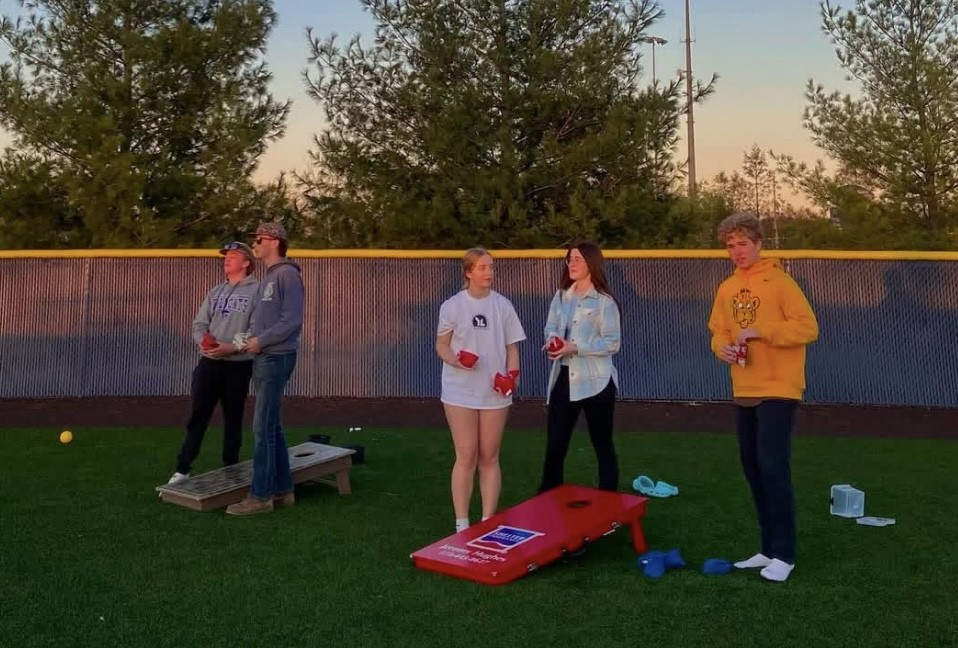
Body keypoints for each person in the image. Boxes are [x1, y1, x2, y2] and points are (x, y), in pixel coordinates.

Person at [707, 212, 819, 583]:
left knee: (774, 469)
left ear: (758, 244)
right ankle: (767, 548)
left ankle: (785, 555)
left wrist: (761, 330)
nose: (737, 251)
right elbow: (718, 331)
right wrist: (722, 348)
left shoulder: (781, 282)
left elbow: (808, 327)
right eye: (730, 245)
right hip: (744, 389)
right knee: (753, 469)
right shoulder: (726, 288)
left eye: (743, 243)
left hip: (779, 388)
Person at [435, 247, 526, 532]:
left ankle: (488, 520)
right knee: (467, 455)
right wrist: (457, 360)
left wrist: (512, 377)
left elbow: (512, 347)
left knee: (490, 456)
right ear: (469, 272)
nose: (489, 272)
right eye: (483, 267)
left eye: (491, 267)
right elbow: (441, 345)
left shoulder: (503, 306)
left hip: (495, 393)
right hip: (459, 391)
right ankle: (462, 522)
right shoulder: (452, 306)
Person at [226, 222, 305, 516]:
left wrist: (261, 341)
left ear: (274, 241)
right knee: (272, 425)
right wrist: (250, 338)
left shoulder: (286, 275)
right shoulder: (268, 277)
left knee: (262, 427)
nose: (255, 244)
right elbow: (269, 320)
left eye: (258, 239)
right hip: (265, 355)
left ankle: (260, 496)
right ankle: (284, 489)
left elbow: (292, 320)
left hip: (276, 357)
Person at [168, 242, 259, 484]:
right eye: (225, 256)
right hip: (209, 364)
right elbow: (199, 324)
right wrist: (203, 341)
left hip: (238, 365)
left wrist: (231, 346)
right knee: (198, 415)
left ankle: (231, 468)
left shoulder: (257, 291)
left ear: (247, 262)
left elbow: (256, 329)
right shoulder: (216, 291)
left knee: (233, 418)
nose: (226, 259)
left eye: (233, 255)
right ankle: (183, 468)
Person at [538, 241, 622, 493]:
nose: (572, 264)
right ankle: (547, 497)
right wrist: (552, 341)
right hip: (564, 377)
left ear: (591, 264)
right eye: (569, 259)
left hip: (597, 381)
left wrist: (574, 346)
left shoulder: (605, 302)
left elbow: (612, 343)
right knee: (556, 443)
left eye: (578, 259)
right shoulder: (561, 296)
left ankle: (609, 504)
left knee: (602, 442)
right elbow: (551, 327)